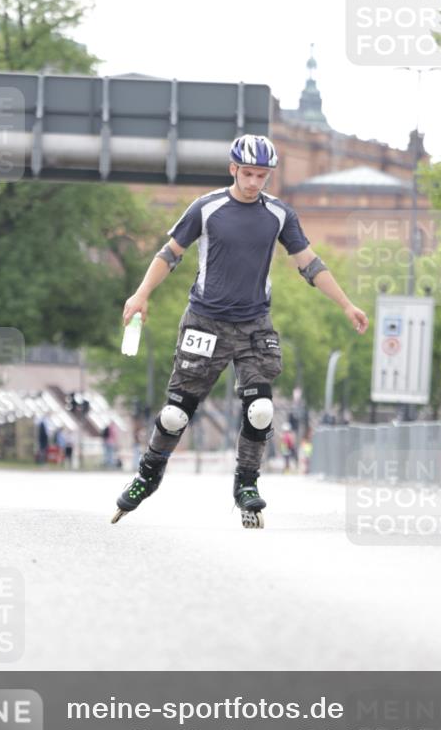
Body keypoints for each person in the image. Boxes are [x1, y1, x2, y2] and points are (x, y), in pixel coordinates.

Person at [112, 134, 369, 528]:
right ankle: (147, 475)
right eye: (247, 173)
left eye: (261, 175)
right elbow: (170, 254)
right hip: (205, 321)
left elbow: (309, 263)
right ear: (233, 169)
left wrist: (347, 304)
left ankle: (246, 483)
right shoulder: (206, 208)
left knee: (261, 409)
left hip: (253, 324)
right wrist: (141, 293)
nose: (253, 182)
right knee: (175, 415)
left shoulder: (279, 214)